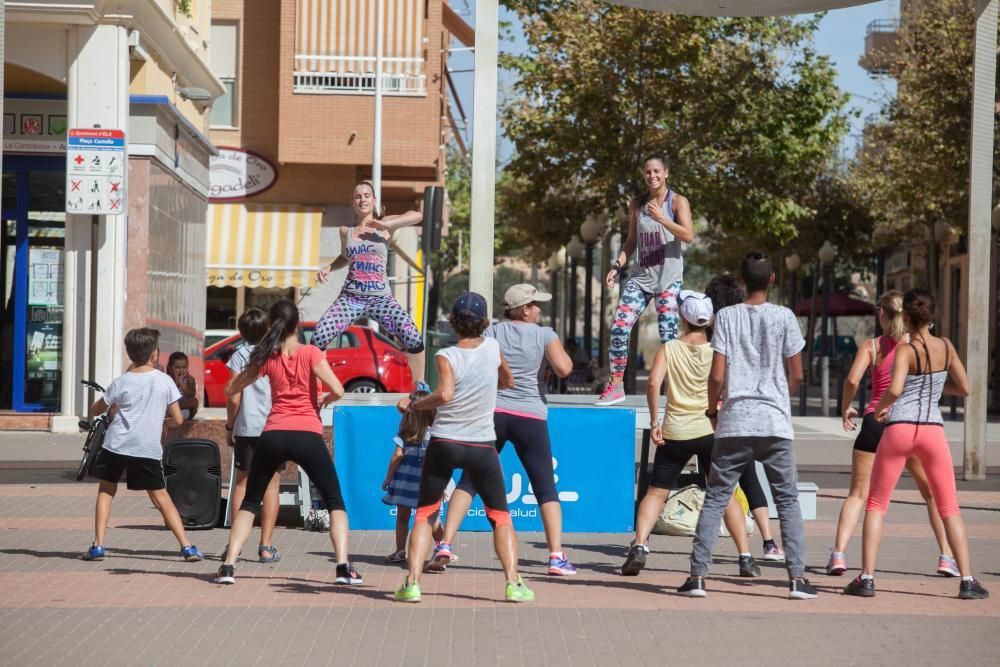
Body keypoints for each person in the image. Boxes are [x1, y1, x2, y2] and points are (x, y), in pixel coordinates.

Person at [677, 252, 817, 600]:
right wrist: (782, 395)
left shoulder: (726, 318)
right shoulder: (785, 317)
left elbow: (718, 375)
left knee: (716, 499)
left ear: (741, 280)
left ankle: (697, 577)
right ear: (772, 280)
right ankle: (797, 579)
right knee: (787, 502)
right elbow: (797, 373)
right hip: (774, 423)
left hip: (735, 420)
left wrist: (713, 409)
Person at [844, 289, 988, 600]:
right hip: (932, 431)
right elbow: (965, 388)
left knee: (877, 504)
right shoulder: (946, 347)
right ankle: (967, 580)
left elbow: (895, 389)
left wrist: (882, 405)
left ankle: (867, 578)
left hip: (899, 428)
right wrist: (935, 387)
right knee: (949, 506)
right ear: (932, 316)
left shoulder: (906, 350)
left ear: (906, 317)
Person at [393, 292, 535, 603]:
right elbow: (508, 381)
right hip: (481, 443)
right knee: (500, 516)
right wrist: (487, 386)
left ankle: (412, 583)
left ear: (454, 323)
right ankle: (513, 584)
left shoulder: (445, 355)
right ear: (484, 321)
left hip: (445, 441)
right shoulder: (494, 348)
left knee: (425, 514)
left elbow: (444, 394)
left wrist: (415, 404)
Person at [429, 284, 577, 576]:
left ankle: (444, 543)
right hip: (530, 416)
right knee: (545, 486)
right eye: (536, 305)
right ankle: (556, 557)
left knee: (469, 481)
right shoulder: (545, 334)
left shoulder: (493, 333)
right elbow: (565, 368)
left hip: (493, 413)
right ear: (524, 309)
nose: (539, 310)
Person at [214, 299, 362, 586]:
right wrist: (324, 398)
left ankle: (228, 565)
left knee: (250, 500)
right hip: (307, 434)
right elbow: (339, 389)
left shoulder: (268, 356)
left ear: (274, 325)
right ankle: (343, 567)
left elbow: (232, 388)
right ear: (297, 323)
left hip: (273, 434)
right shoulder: (311, 353)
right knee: (335, 501)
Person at [621, 290, 762, 579]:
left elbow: (653, 386)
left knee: (657, 492)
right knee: (723, 494)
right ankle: (745, 557)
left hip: (675, 430)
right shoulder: (718, 350)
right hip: (711, 429)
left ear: (682, 319)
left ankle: (639, 546)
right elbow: (727, 384)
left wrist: (655, 421)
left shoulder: (669, 348)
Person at [830, 290, 956, 576]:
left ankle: (838, 555)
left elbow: (852, 378)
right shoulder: (917, 347)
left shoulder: (872, 346)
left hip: (875, 423)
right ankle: (946, 556)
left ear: (883, 314)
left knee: (859, 495)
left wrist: (846, 407)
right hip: (908, 425)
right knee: (931, 494)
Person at [82, 328, 204, 563]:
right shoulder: (165, 381)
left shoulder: (122, 381)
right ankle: (187, 547)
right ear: (154, 355)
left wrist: (107, 405)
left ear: (130, 354)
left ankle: (98, 545)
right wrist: (160, 421)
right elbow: (179, 420)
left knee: (107, 490)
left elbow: (97, 409)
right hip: (147, 446)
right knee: (161, 496)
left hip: (117, 445)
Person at [596, 155, 694, 406]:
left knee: (668, 336)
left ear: (666, 173)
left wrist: (663, 218)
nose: (652, 175)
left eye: (657, 171)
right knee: (619, 327)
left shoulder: (678, 201)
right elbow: (631, 241)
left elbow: (688, 235)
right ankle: (616, 385)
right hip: (640, 278)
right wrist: (617, 266)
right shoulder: (637, 205)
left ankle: (675, 392)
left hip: (669, 280)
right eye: (648, 172)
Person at [314, 181, 426, 383]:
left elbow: (418, 215)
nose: (362, 199)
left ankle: (420, 386)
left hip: (380, 299)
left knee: (413, 338)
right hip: (351, 298)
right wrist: (329, 267)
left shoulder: (386, 224)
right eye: (358, 196)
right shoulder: (345, 231)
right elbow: (344, 257)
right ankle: (318, 386)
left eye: (366, 195)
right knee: (318, 338)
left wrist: (388, 225)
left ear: (374, 200)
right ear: (353, 203)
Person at [704, 274, 783, 561]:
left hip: (718, 415)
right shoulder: (747, 329)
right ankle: (769, 541)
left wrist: (712, 409)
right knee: (750, 476)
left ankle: (705, 548)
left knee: (718, 482)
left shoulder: (715, 335)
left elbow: (714, 375)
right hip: (746, 410)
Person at [225, 307, 282, 564]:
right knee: (271, 485)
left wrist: (229, 425)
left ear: (242, 331)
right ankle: (266, 546)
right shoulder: (277, 355)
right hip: (274, 426)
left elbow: (234, 397)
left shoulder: (239, 356)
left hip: (247, 428)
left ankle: (234, 546)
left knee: (242, 484)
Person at [381, 388, 444, 562]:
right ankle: (442, 548)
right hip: (428, 484)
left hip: (404, 484)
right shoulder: (436, 434)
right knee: (433, 519)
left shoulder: (406, 433)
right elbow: (441, 461)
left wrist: (388, 478)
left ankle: (400, 550)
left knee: (402, 517)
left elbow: (397, 456)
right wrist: (443, 484)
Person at [166, 351, 199, 420]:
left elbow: (191, 394)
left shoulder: (190, 379)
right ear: (170, 368)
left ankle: (189, 419)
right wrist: (175, 383)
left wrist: (182, 384)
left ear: (188, 366)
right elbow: (166, 395)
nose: (181, 370)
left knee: (194, 401)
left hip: (183, 408)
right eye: (177, 367)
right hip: (170, 409)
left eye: (184, 367)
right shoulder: (167, 379)